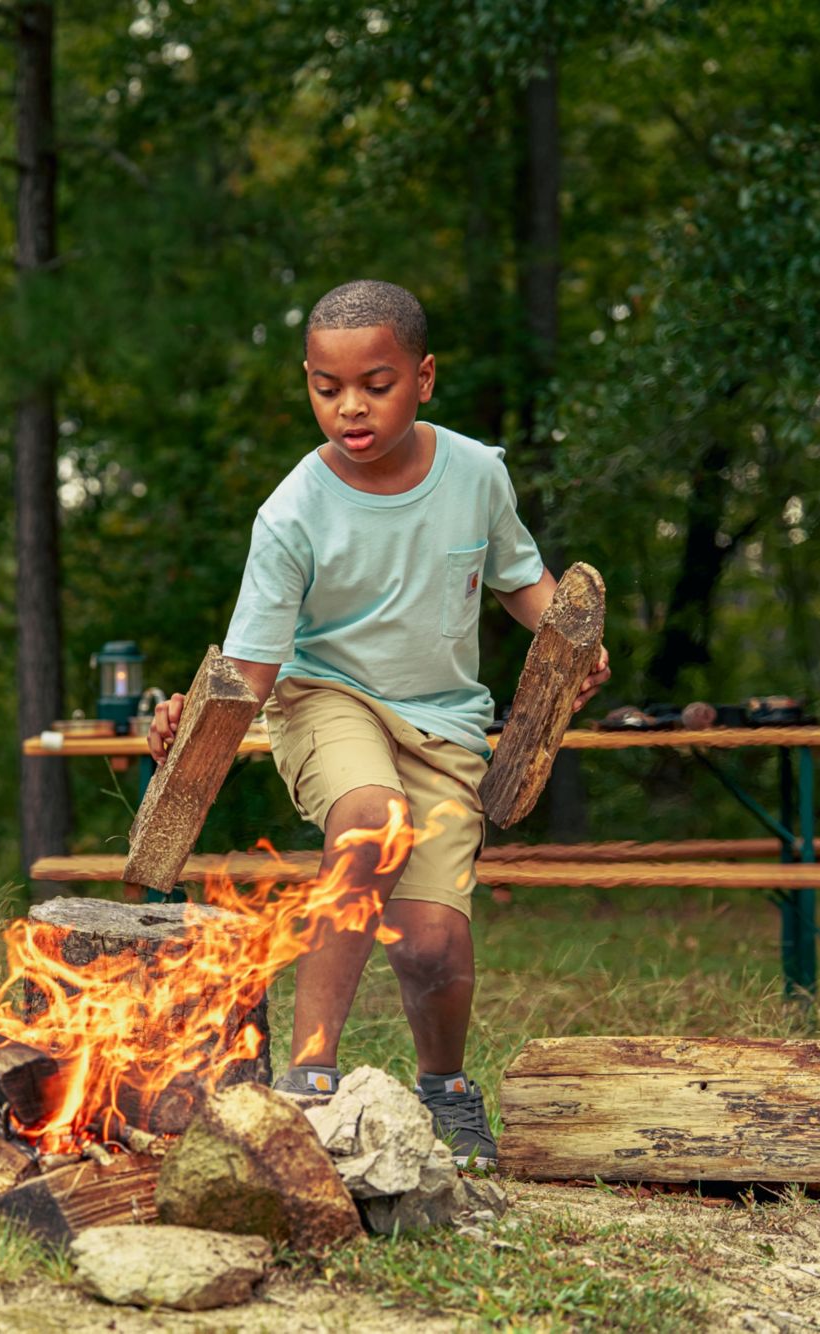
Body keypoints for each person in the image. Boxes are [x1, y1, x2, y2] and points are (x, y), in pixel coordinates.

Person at [147, 279, 608, 1167]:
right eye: (327, 388)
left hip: (444, 722)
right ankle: (309, 1083)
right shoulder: (293, 511)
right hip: (326, 701)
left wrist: (569, 639)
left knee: (435, 941)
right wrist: (191, 720)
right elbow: (251, 668)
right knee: (371, 820)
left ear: (424, 377)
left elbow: (520, 579)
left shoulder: (477, 473)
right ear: (310, 384)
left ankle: (445, 1089)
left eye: (376, 384)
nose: (350, 407)